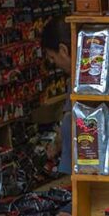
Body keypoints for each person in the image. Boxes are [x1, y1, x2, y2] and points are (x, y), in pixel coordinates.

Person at [41, 17, 74, 179]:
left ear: (63, 50)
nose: (55, 64)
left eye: (53, 58)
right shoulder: (75, 81)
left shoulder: (80, 83)